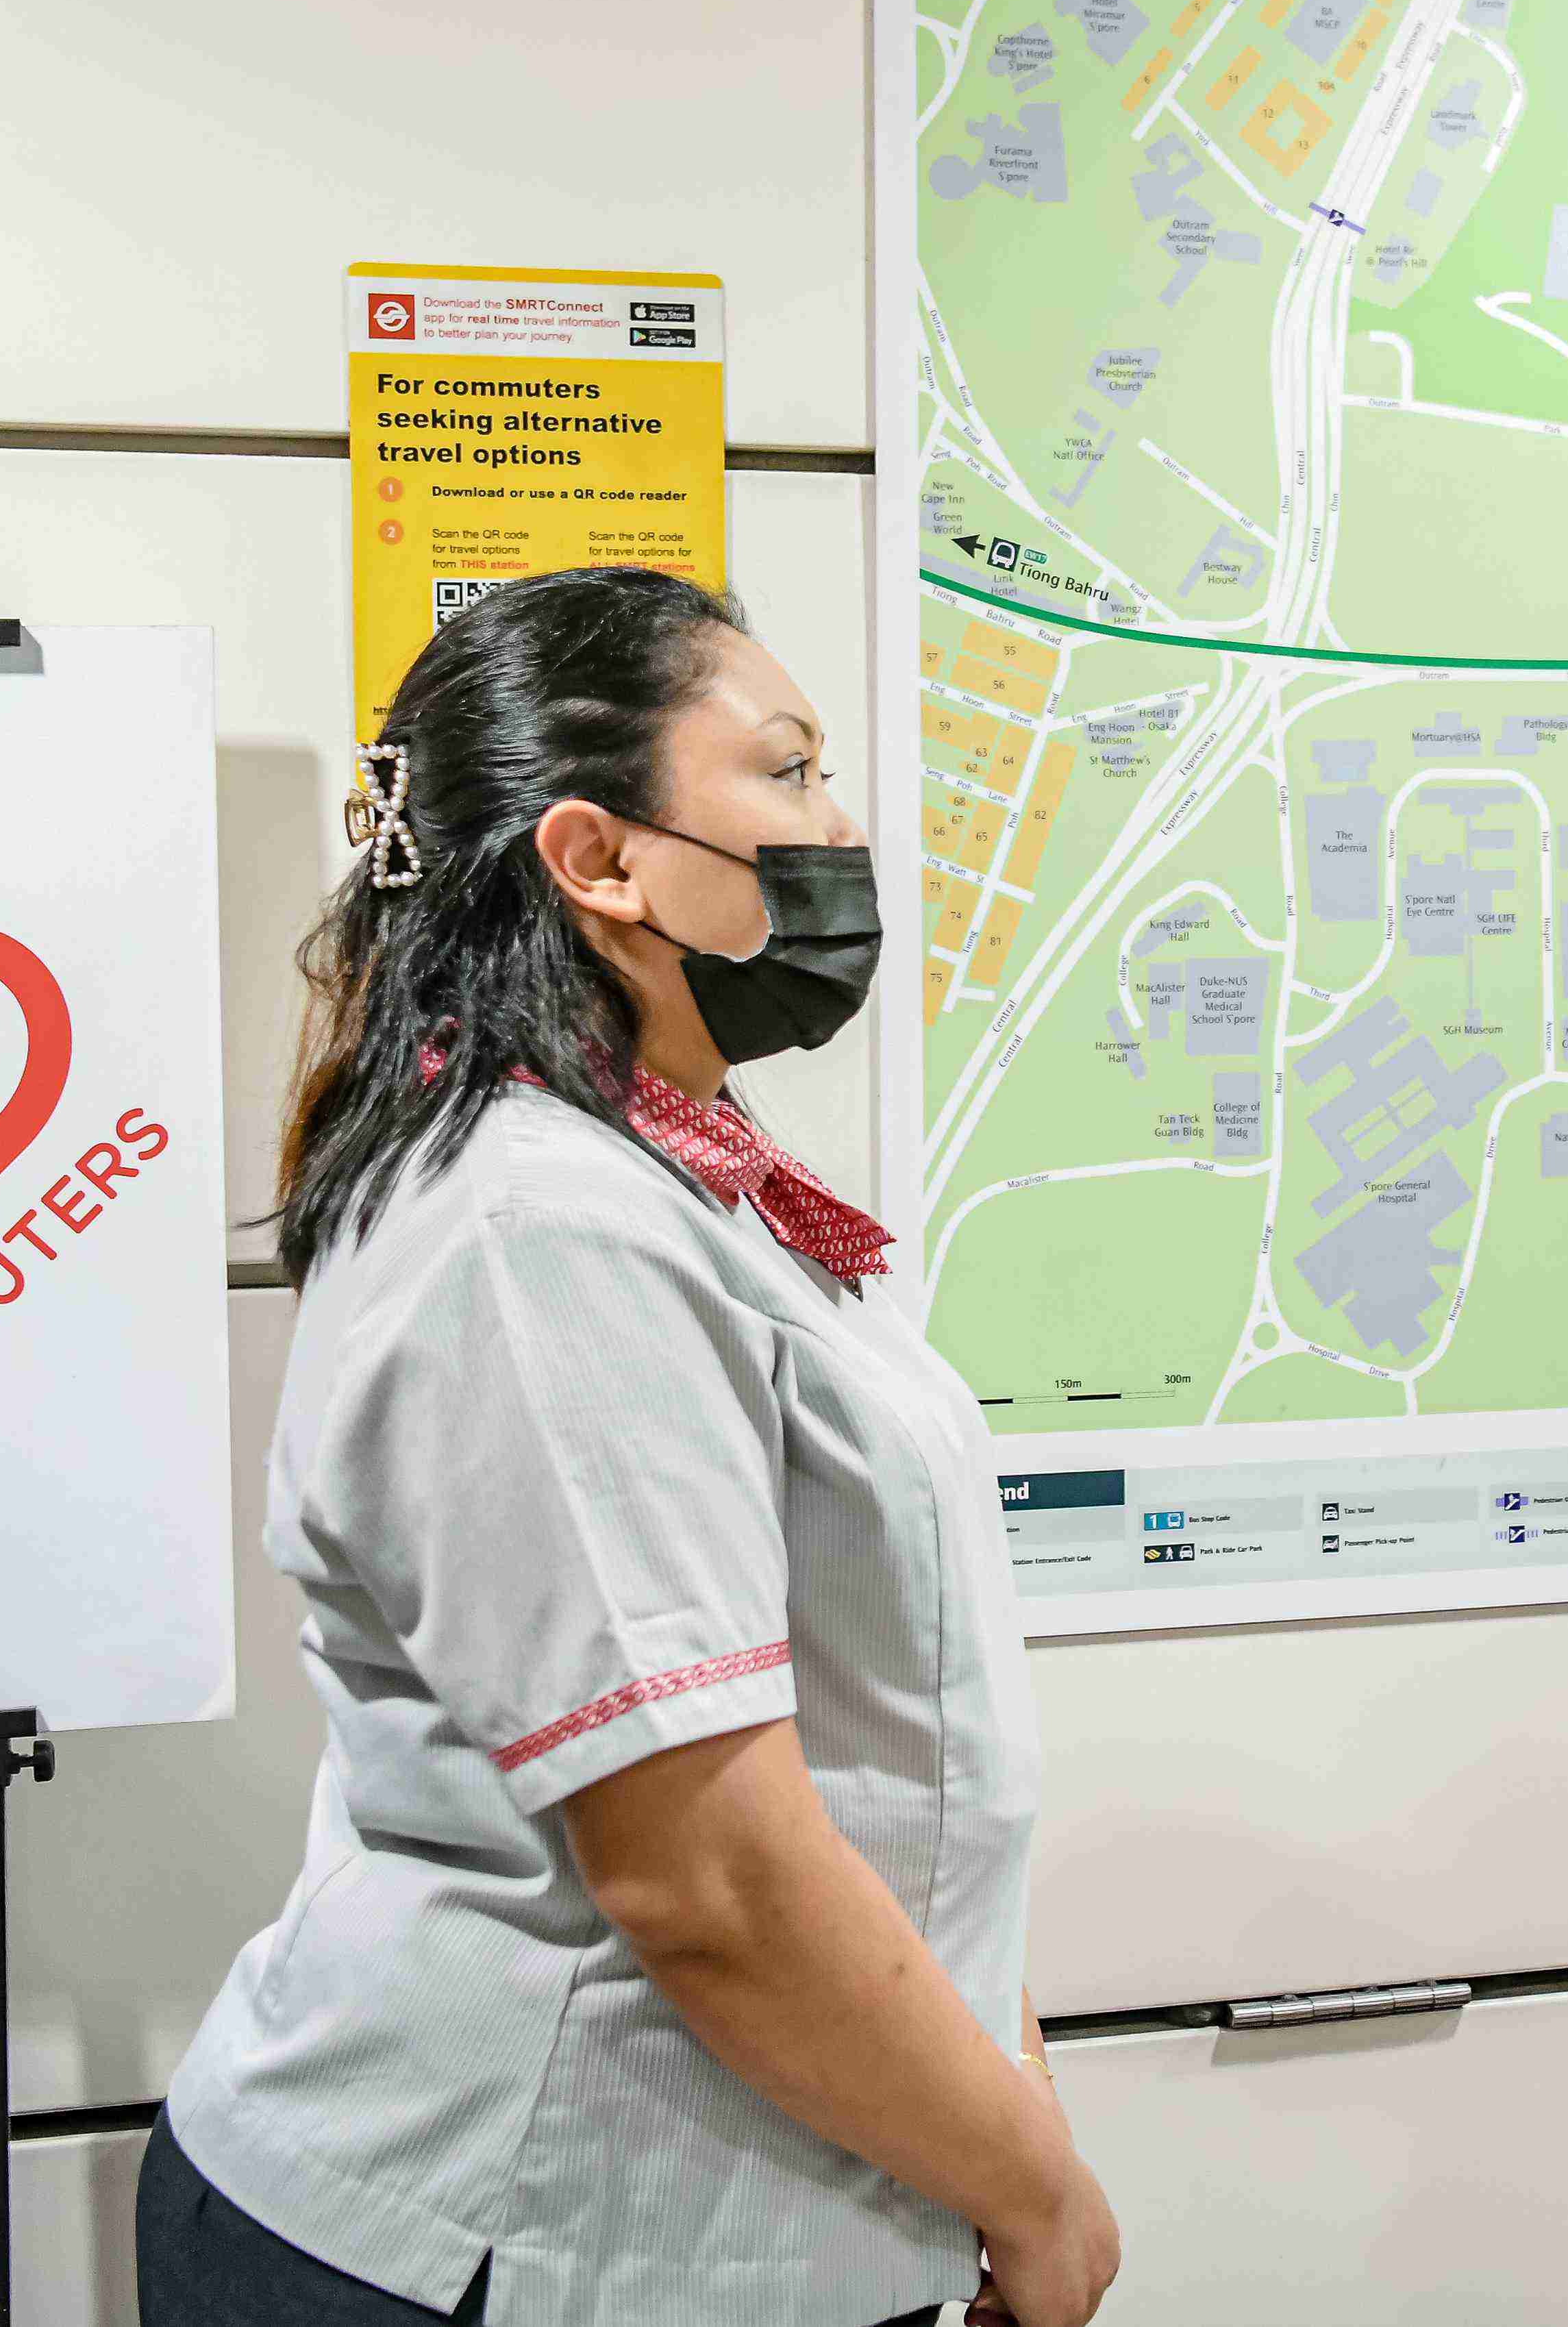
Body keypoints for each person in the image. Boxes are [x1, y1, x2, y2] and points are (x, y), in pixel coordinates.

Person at [143, 568, 1120, 2327]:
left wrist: (995, 2097)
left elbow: (889, 1738)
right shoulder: (541, 1223)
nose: (844, 828)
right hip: (514, 2233)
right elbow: (709, 1873)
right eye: (790, 771)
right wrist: (1039, 2202)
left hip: (737, 2219)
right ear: (600, 860)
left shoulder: (680, 1180)